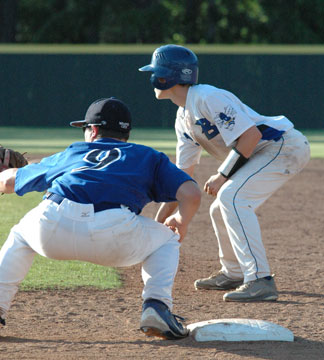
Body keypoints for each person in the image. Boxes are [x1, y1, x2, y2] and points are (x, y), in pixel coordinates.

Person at [0, 97, 201, 340]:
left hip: (52, 224)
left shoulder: (74, 151)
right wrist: (181, 219)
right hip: (114, 234)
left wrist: (9, 173)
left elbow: (8, 181)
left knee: (21, 235)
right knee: (167, 240)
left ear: (93, 130)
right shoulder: (147, 156)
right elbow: (191, 194)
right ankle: (157, 306)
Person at [139, 44, 310, 302]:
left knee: (232, 197)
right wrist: (159, 221)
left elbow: (252, 136)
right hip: (264, 151)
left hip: (283, 146)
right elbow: (182, 177)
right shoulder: (183, 117)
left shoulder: (207, 97)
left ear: (166, 77)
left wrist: (222, 175)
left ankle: (260, 280)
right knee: (219, 207)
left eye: (155, 74)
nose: (152, 79)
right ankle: (235, 272)